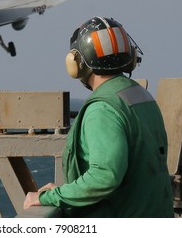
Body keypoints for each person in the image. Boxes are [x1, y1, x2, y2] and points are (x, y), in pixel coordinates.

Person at [23, 17, 174, 217]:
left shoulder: (102, 109)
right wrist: (64, 192)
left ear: (76, 63)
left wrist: (45, 198)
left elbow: (104, 177)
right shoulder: (139, 95)